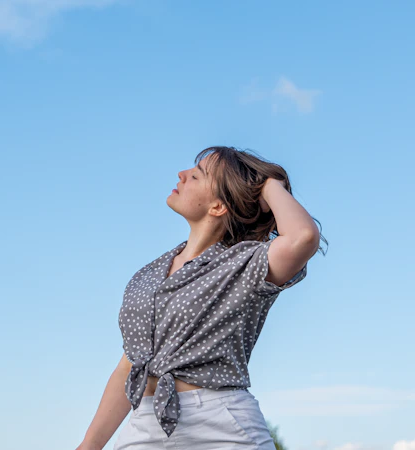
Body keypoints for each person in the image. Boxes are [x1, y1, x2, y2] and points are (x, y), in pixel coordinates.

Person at [77, 146, 326, 450]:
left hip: (222, 425)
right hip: (146, 423)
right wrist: (88, 445)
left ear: (219, 206)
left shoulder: (247, 262)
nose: (182, 175)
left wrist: (268, 183)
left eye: (196, 175)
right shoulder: (147, 276)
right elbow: (129, 365)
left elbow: (303, 237)